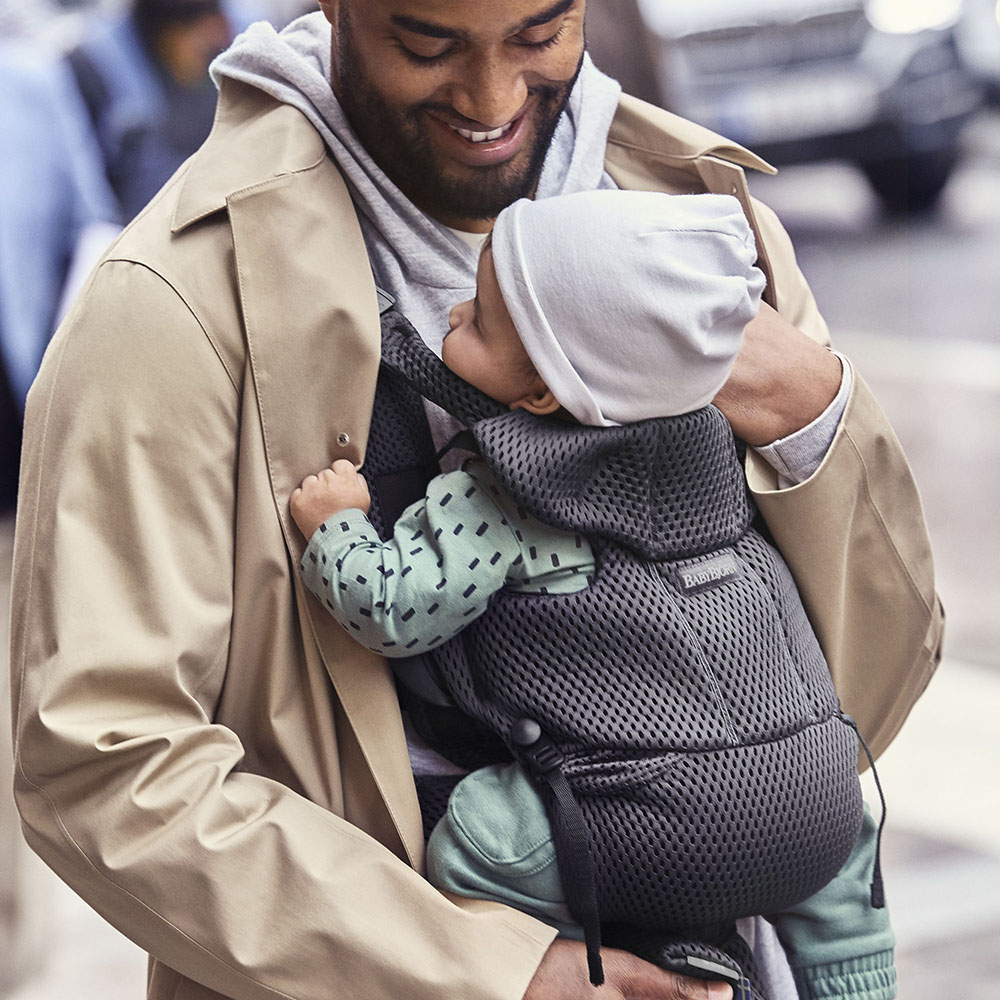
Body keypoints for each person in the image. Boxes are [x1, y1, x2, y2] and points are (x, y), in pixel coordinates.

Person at [8, 3, 942, 1000]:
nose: (492, 99)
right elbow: (104, 762)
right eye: (428, 44)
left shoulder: (701, 218)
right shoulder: (175, 298)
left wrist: (811, 412)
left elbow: (864, 702)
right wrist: (486, 975)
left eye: (538, 36)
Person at [288, 189, 895, 1000]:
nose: (456, 311)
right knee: (840, 839)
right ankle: (858, 982)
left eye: (481, 317)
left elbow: (396, 612)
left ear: (542, 394)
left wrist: (338, 529)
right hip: (811, 803)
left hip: (651, 825)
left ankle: (607, 956)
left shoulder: (504, 492)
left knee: (477, 832)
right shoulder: (714, 446)